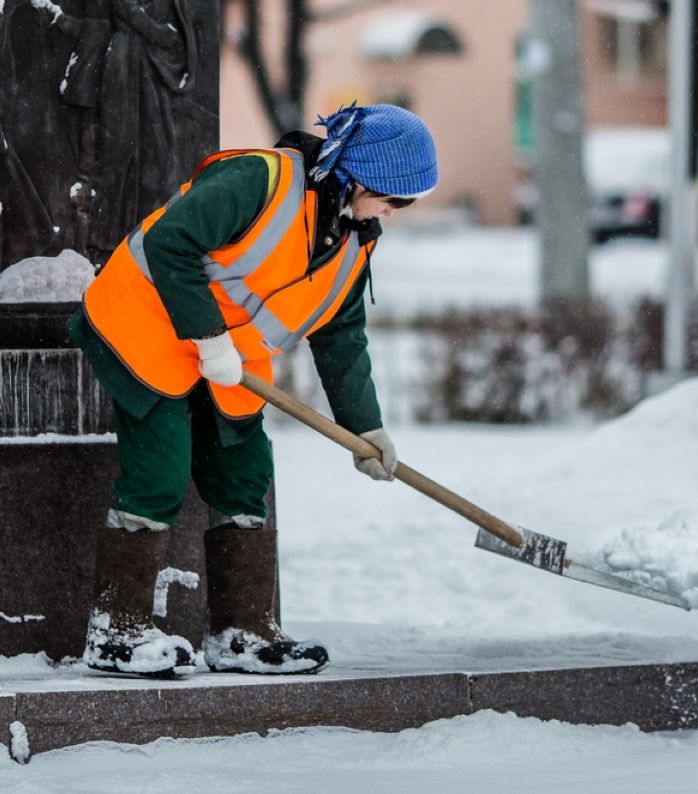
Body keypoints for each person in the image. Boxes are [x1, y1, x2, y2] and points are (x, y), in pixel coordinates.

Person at [66, 101, 437, 678]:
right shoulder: (258, 180)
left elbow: (340, 334)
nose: (394, 212)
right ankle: (115, 632)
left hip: (232, 359)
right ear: (357, 175)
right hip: (148, 324)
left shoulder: (354, 237)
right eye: (393, 198)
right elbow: (170, 244)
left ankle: (241, 633)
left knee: (244, 473)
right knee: (160, 469)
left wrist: (364, 426)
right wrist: (207, 337)